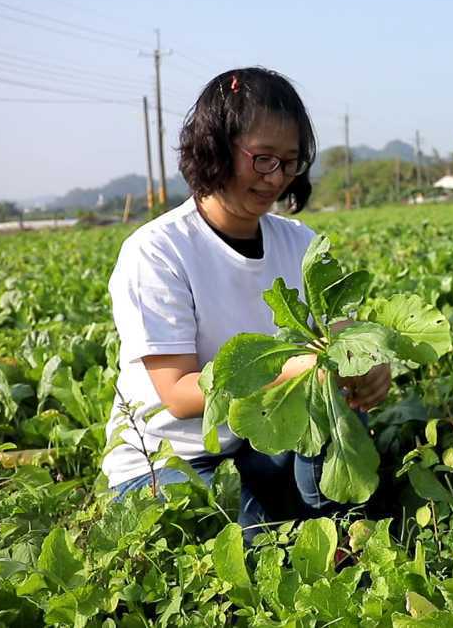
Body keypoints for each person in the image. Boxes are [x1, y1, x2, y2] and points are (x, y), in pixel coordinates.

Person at [102, 67, 390, 527]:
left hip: (261, 445)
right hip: (170, 464)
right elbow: (177, 393)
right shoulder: (157, 251)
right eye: (262, 159)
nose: (275, 178)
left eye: (289, 161)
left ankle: (339, 534)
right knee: (235, 541)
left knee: (335, 445)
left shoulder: (298, 243)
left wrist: (368, 363)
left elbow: (342, 334)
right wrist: (293, 370)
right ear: (215, 147)